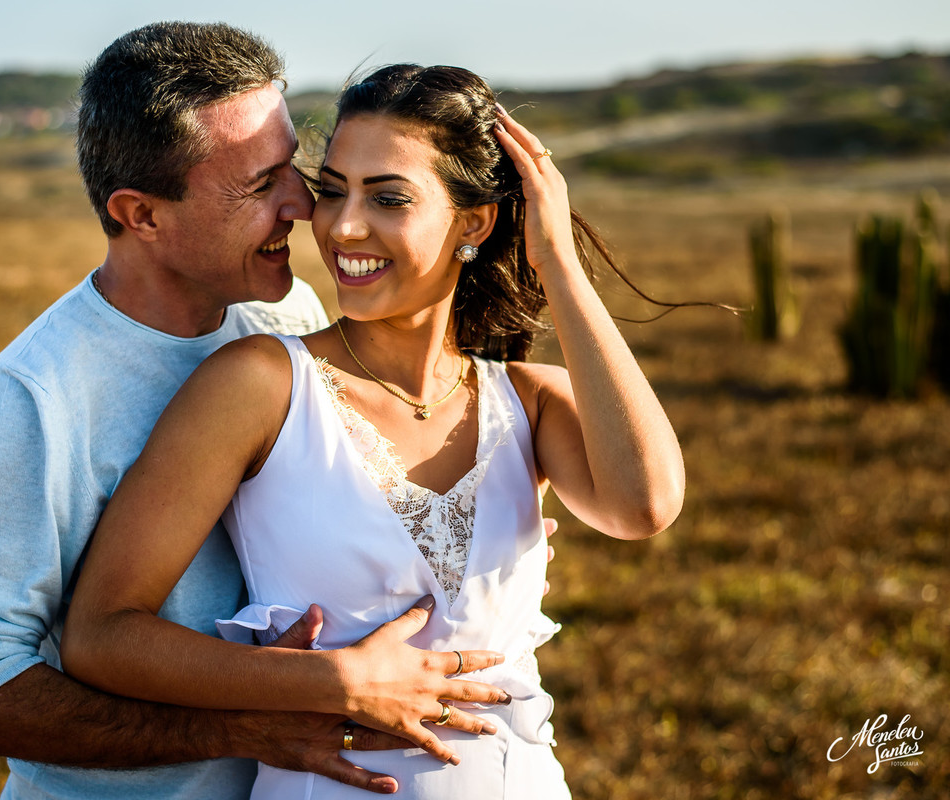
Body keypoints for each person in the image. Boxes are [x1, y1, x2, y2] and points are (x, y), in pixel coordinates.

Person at [0, 25, 516, 800]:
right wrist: (244, 725)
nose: (303, 204)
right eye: (260, 186)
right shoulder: (36, 399)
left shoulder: (289, 317)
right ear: (143, 214)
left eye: (294, 167)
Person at [60, 63, 686, 798]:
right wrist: (325, 680)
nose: (342, 226)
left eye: (388, 197)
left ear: (474, 222)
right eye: (332, 192)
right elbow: (101, 633)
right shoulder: (260, 385)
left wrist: (558, 266)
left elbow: (643, 505)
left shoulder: (528, 402)